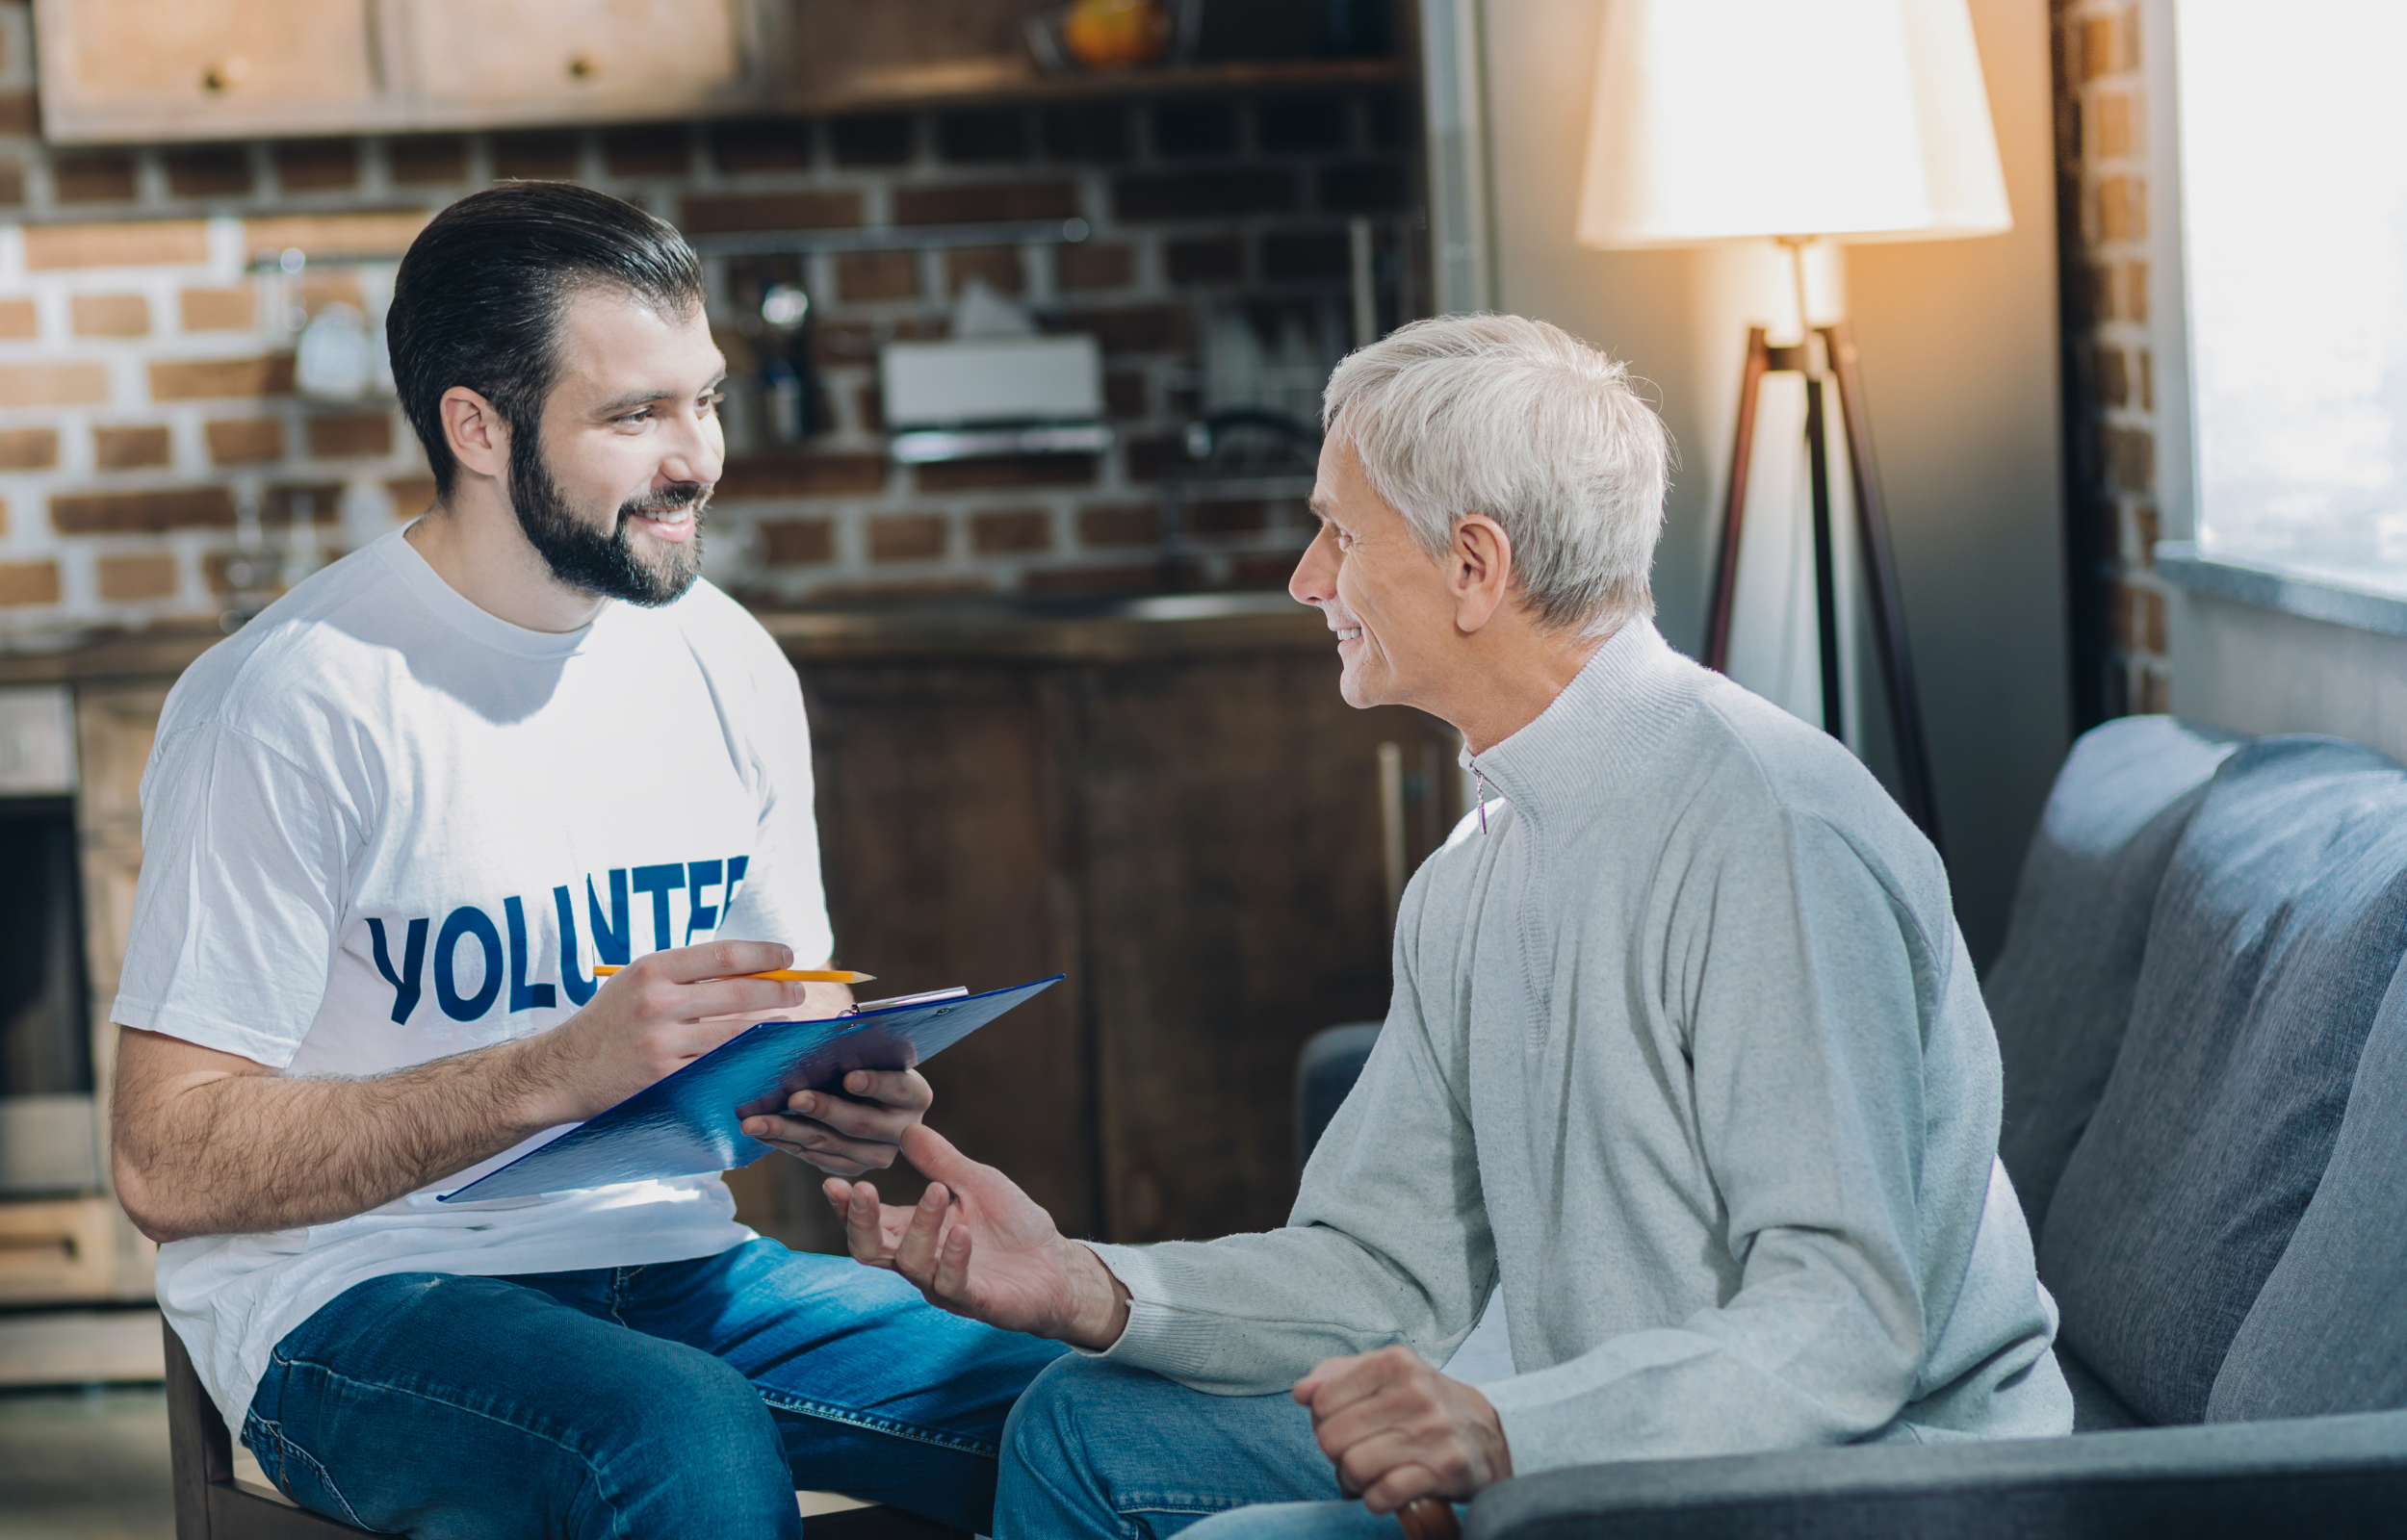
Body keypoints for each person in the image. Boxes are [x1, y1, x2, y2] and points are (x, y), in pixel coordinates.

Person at [827, 314, 2074, 1538]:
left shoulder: (1769, 830)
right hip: (1598, 1455)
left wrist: (1508, 1431)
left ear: (1474, 567)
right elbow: (1389, 1274)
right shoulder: (1476, 870)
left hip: (1856, 1483)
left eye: (1339, 535)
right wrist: (1085, 1285)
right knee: (1084, 1425)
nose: (1306, 580)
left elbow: (1845, 1327)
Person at [108, 183, 1062, 1539]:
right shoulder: (288, 701)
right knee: (678, 1434)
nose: (699, 460)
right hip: (357, 1301)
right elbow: (165, 1164)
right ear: (477, 427)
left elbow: (783, 1004)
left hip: (680, 1265)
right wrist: (553, 1071)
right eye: (634, 417)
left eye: (705, 400)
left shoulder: (725, 657)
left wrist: (819, 1087)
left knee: (1085, 1407)